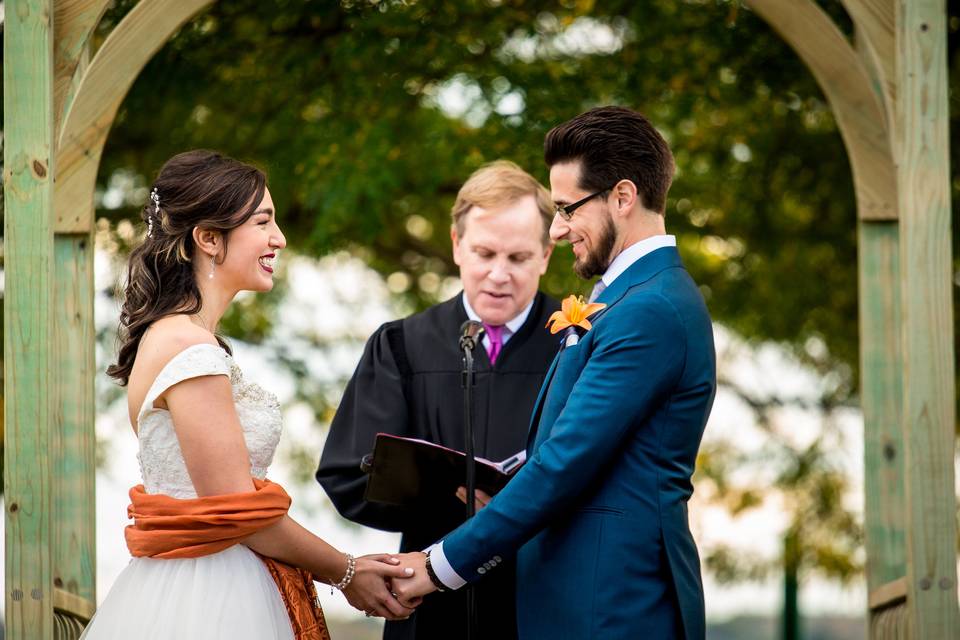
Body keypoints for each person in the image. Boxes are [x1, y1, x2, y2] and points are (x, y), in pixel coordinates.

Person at [393, 106, 717, 640]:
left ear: (622, 196)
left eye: (567, 209)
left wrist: (436, 568)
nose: (560, 230)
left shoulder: (650, 310)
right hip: (578, 601)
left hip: (610, 607)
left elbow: (566, 463)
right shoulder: (628, 299)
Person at [82, 150, 414, 640]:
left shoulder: (188, 339)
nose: (278, 238)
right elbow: (236, 510)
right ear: (209, 238)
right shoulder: (186, 346)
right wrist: (346, 570)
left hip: (217, 578)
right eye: (263, 222)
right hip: (207, 598)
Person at [316, 160, 561, 640]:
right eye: (484, 253)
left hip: (542, 597)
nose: (498, 274)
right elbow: (347, 473)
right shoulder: (402, 346)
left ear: (547, 254)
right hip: (431, 601)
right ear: (455, 244)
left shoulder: (578, 342)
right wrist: (449, 497)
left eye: (518, 258)